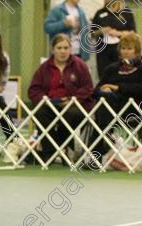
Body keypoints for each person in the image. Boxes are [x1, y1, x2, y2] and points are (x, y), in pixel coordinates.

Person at [28, 34, 94, 164]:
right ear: (53, 50)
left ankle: (58, 149)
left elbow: (88, 88)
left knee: (72, 114)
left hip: (74, 104)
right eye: (59, 48)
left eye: (66, 48)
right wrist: (44, 99)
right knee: (39, 113)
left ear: (70, 49)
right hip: (50, 104)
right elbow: (34, 90)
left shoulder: (80, 66)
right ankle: (51, 151)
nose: (63, 51)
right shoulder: (44, 68)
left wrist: (72, 99)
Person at [93, 32, 142, 157]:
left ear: (137, 51)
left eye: (129, 48)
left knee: (102, 111)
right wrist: (104, 90)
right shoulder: (111, 69)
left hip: (132, 109)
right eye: (123, 48)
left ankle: (97, 150)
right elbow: (96, 90)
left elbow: (141, 90)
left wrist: (116, 87)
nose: (125, 51)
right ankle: (102, 144)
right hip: (109, 107)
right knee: (104, 98)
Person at [91, 0, 136, 78]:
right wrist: (101, 30)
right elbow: (92, 34)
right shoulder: (100, 13)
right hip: (103, 51)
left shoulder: (126, 12)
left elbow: (133, 33)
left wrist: (118, 33)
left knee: (121, 74)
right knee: (104, 75)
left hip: (121, 50)